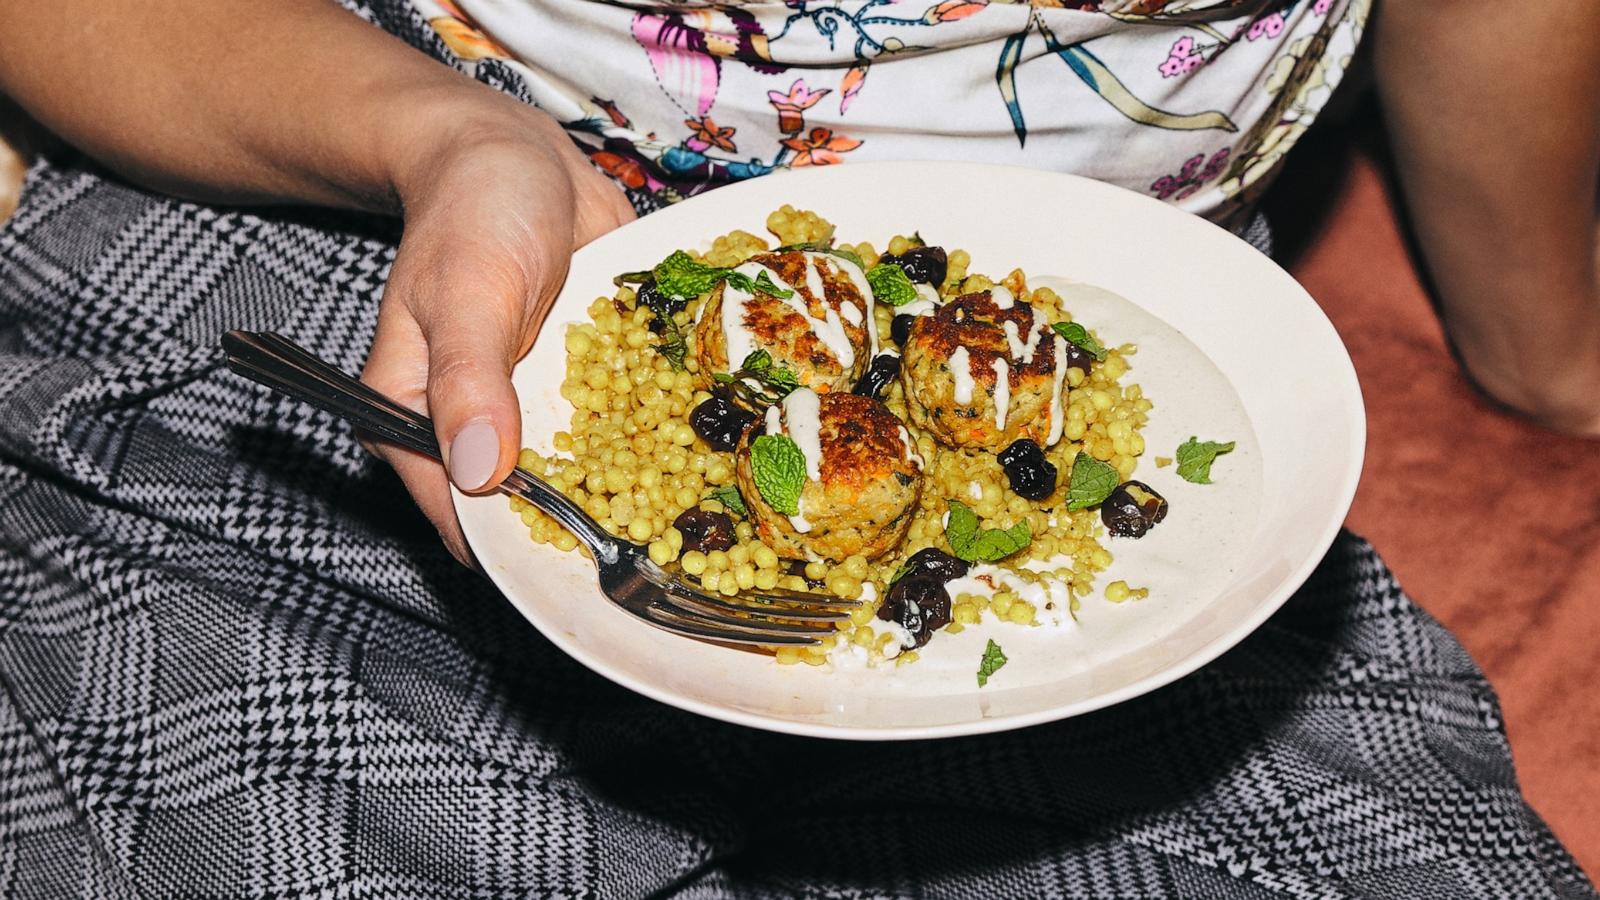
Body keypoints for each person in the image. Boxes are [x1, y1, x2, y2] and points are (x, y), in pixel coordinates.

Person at [0, 1, 1591, 896]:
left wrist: (1550, 344)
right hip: (375, 244)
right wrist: (442, 135)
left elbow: (1518, 182)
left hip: (1100, 489)